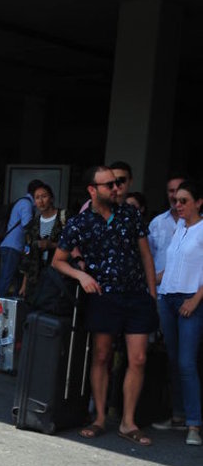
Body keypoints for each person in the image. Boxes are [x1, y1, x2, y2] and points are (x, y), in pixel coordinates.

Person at [52, 165, 158, 446]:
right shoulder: (79, 222)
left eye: (117, 183)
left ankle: (128, 422)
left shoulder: (130, 214)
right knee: (101, 356)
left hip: (136, 295)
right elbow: (58, 260)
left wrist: (152, 293)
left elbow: (146, 255)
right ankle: (99, 417)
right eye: (109, 184)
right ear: (92, 190)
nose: (115, 188)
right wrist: (82, 275)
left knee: (138, 358)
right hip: (103, 296)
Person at [154, 180, 203, 445]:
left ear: (199, 202)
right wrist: (151, 280)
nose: (178, 205)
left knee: (186, 362)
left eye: (184, 200)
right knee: (173, 360)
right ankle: (178, 415)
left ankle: (194, 424)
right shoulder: (180, 229)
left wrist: (195, 300)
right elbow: (172, 267)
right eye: (176, 200)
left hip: (189, 300)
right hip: (168, 298)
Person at [0, 178, 44, 330]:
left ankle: (9, 321)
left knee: (15, 284)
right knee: (5, 284)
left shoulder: (23, 202)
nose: (41, 199)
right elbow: (27, 225)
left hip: (11, 246)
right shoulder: (26, 204)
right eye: (39, 195)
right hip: (13, 247)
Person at [18, 183, 66, 305]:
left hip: (58, 276)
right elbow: (28, 256)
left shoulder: (64, 218)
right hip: (37, 277)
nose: (41, 201)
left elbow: (73, 245)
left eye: (44, 196)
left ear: (51, 198)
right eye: (37, 198)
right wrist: (24, 284)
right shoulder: (33, 224)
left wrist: (52, 245)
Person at [148, 174, 185, 300]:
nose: (175, 195)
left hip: (189, 294)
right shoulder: (157, 223)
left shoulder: (199, 224)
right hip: (160, 293)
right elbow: (148, 257)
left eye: (178, 190)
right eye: (171, 191)